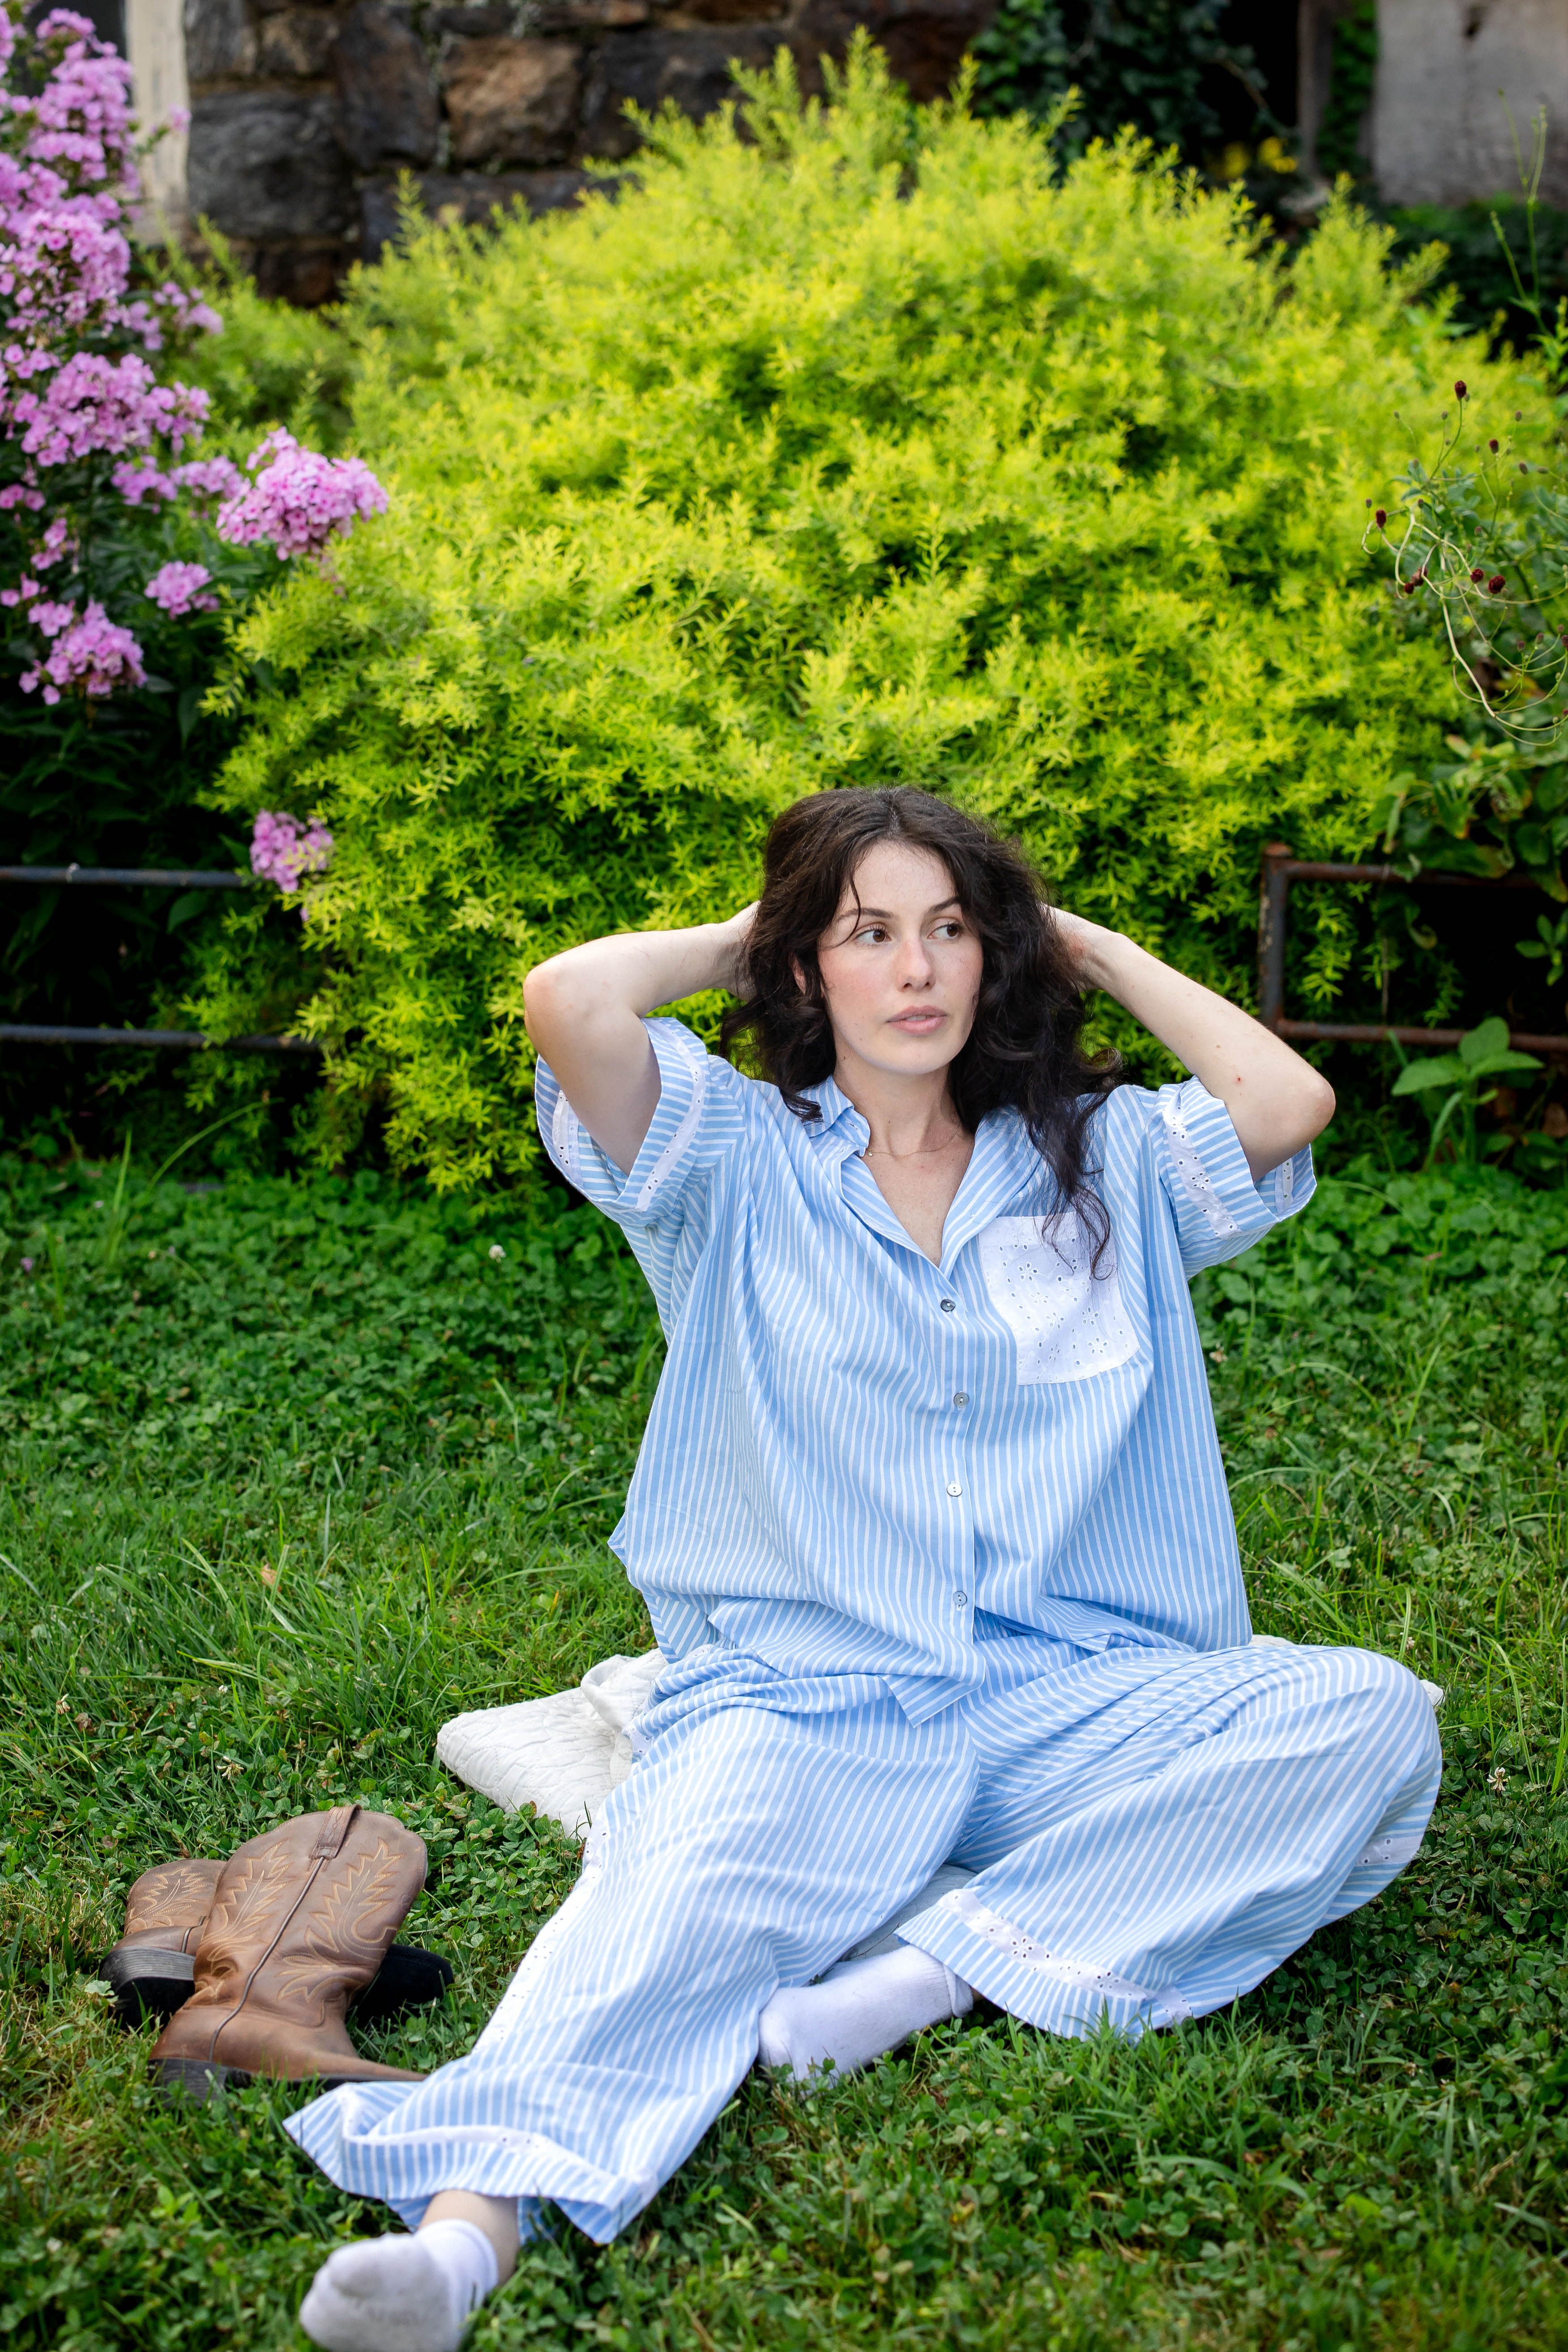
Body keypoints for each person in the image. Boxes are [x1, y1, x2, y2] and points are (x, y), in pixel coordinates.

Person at [293, 788, 1442, 2352]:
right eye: (870, 936)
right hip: (813, 1694)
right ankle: (461, 2244)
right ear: (805, 967)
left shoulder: (1103, 1160)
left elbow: (1287, 1102)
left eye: (954, 931)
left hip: (1079, 1695)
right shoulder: (730, 1158)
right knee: (668, 1905)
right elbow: (568, 997)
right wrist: (758, 933)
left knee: (1368, 1718)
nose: (919, 971)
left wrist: (1085, 949)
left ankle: (924, 1972)